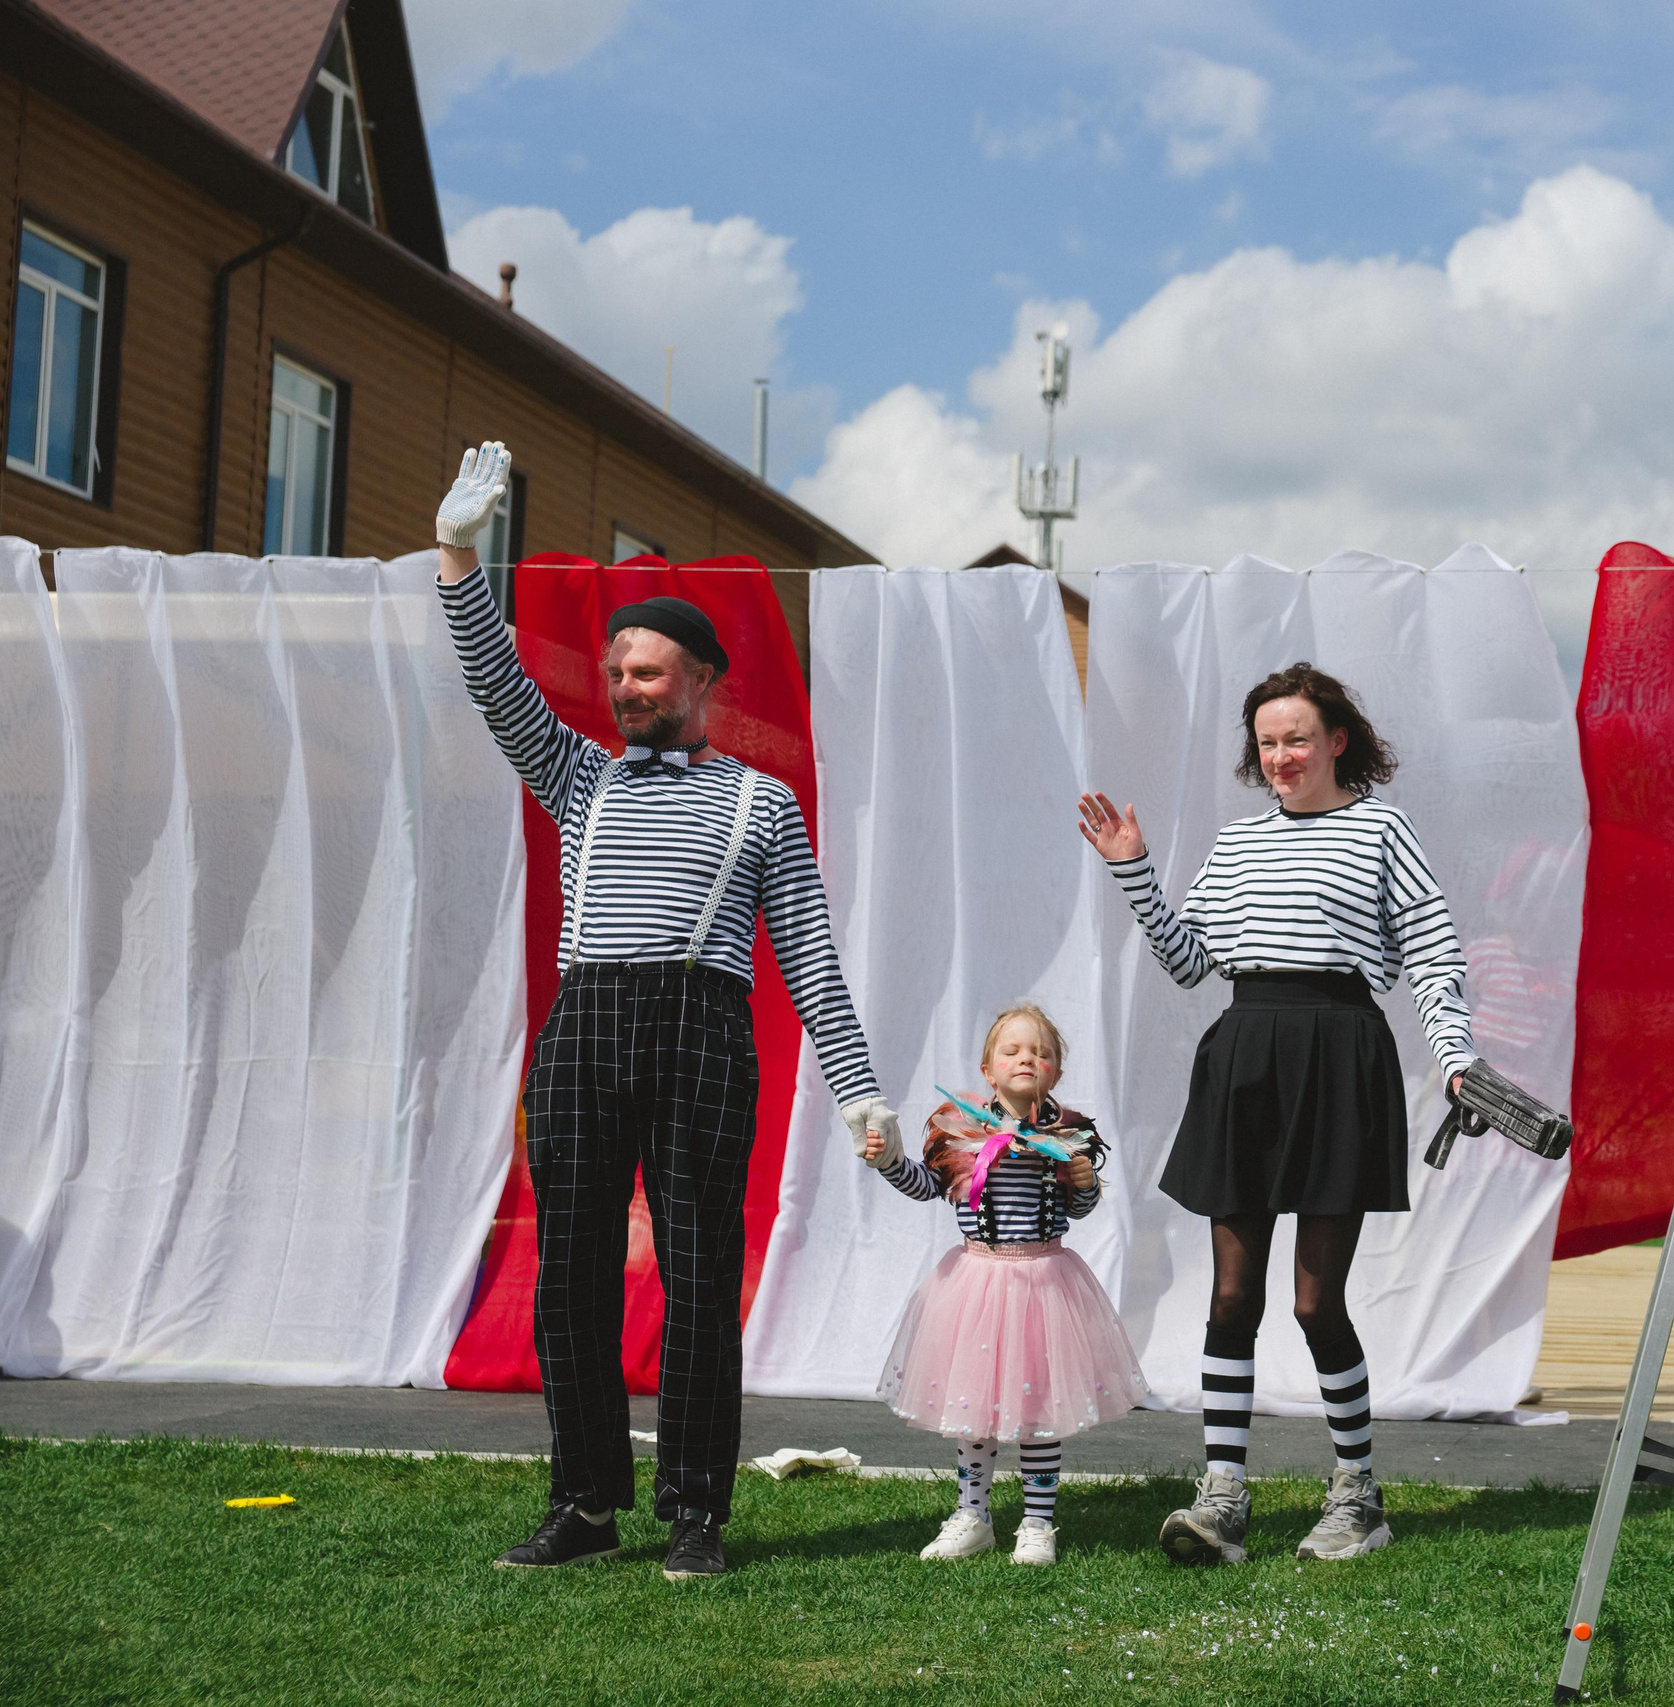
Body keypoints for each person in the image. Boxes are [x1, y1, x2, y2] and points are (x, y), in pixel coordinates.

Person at [431, 443, 900, 1580]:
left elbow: (813, 961)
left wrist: (859, 1092)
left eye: (648, 672)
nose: (625, 687)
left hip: (703, 1031)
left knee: (695, 1273)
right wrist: (456, 556)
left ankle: (698, 1510)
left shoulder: (763, 802)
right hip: (586, 1026)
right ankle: (584, 1502)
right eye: (617, 671)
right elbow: (496, 683)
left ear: (701, 680)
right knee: (571, 1270)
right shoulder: (578, 776)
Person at [1077, 662, 1473, 1566]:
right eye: (1267, 742)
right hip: (1245, 1058)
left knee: (1314, 1301)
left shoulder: (1382, 828)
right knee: (1229, 1295)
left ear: (1337, 739)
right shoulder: (1240, 842)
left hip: (1340, 1057)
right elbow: (1188, 962)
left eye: (1297, 737)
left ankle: (1359, 1497)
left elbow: (1435, 953)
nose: (1282, 755)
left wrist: (1457, 1061)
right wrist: (1134, 870)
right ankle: (1223, 1499)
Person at [864, 1005, 1147, 1566]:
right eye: (1013, 1051)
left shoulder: (1069, 1134)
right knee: (975, 1404)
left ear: (1056, 1073)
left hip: (1045, 1283)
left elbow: (1080, 1207)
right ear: (988, 1070)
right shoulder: (961, 1129)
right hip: (978, 1283)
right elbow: (927, 1187)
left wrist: (1085, 1179)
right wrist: (890, 1160)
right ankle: (974, 1514)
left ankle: (1038, 1522)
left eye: (1041, 1053)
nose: (1028, 1059)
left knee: (1040, 1405)